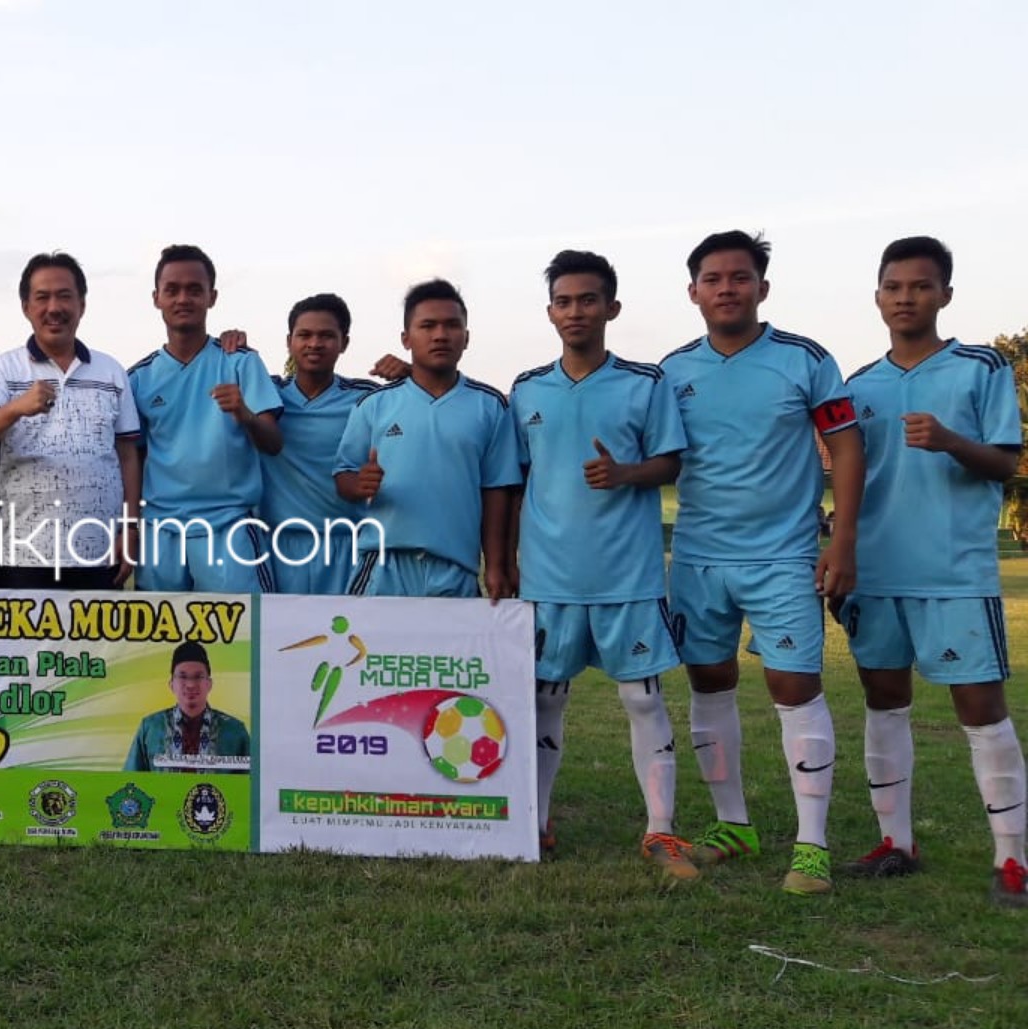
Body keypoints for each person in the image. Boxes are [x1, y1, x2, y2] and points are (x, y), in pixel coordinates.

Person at [661, 230, 865, 895]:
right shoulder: (673, 371)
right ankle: (734, 825)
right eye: (713, 279)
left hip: (783, 557)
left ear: (762, 288)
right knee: (709, 681)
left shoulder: (805, 360)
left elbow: (846, 443)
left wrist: (843, 539)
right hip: (697, 556)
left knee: (793, 687)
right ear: (693, 291)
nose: (726, 288)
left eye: (739, 277)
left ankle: (812, 845)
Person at [834, 236, 1025, 906]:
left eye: (920, 286)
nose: (906, 298)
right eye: (894, 287)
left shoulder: (981, 368)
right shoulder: (857, 386)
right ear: (878, 296)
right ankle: (896, 843)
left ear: (945, 293)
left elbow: (1006, 462)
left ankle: (1011, 860)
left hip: (954, 573)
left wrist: (949, 440)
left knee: (981, 711)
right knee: (885, 705)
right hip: (877, 575)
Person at [509, 251, 691, 875]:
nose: (576, 311)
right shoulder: (526, 389)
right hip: (549, 579)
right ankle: (533, 825)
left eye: (588, 299)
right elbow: (516, 480)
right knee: (543, 700)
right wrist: (503, 562)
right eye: (564, 301)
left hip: (627, 577)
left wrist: (625, 474)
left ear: (611, 307)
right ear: (551, 311)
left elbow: (670, 463)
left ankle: (661, 831)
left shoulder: (645, 383)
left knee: (643, 700)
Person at [334, 280, 520, 599]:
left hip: (455, 567)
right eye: (427, 325)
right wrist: (359, 483)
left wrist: (495, 565)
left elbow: (497, 491)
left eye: (452, 325)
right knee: (367, 650)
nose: (440, 335)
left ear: (467, 337)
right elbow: (343, 477)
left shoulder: (489, 405)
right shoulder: (374, 405)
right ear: (406, 338)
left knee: (458, 651)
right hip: (383, 564)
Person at [0, 252, 141, 589]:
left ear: (82, 304)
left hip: (100, 552)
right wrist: (17, 407)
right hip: (24, 555)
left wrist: (130, 528)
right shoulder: (1, 369)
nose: (54, 307)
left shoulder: (111, 370)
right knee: (29, 644)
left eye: (64, 295)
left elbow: (127, 455)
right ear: (25, 307)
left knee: (98, 644)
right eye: (42, 297)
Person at [128, 244, 284, 593]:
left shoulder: (240, 362)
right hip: (160, 528)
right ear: (157, 298)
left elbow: (273, 443)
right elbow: (132, 457)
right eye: (172, 290)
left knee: (244, 635)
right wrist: (132, 526)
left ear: (211, 297)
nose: (183, 298)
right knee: (156, 639)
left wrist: (244, 414)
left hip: (228, 524)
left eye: (194, 290)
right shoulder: (138, 378)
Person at [258, 294, 380, 594]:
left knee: (346, 636)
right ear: (289, 341)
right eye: (305, 335)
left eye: (327, 335)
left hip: (347, 545)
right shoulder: (267, 395)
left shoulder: (367, 398)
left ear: (344, 342)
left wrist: (408, 372)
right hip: (277, 547)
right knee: (277, 639)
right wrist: (230, 342)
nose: (315, 343)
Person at [122, 641, 250, 773]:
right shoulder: (150, 728)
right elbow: (130, 781)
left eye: (198, 676)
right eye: (182, 676)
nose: (190, 684)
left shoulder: (235, 731)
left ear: (209, 684)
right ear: (172, 684)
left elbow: (252, 785)